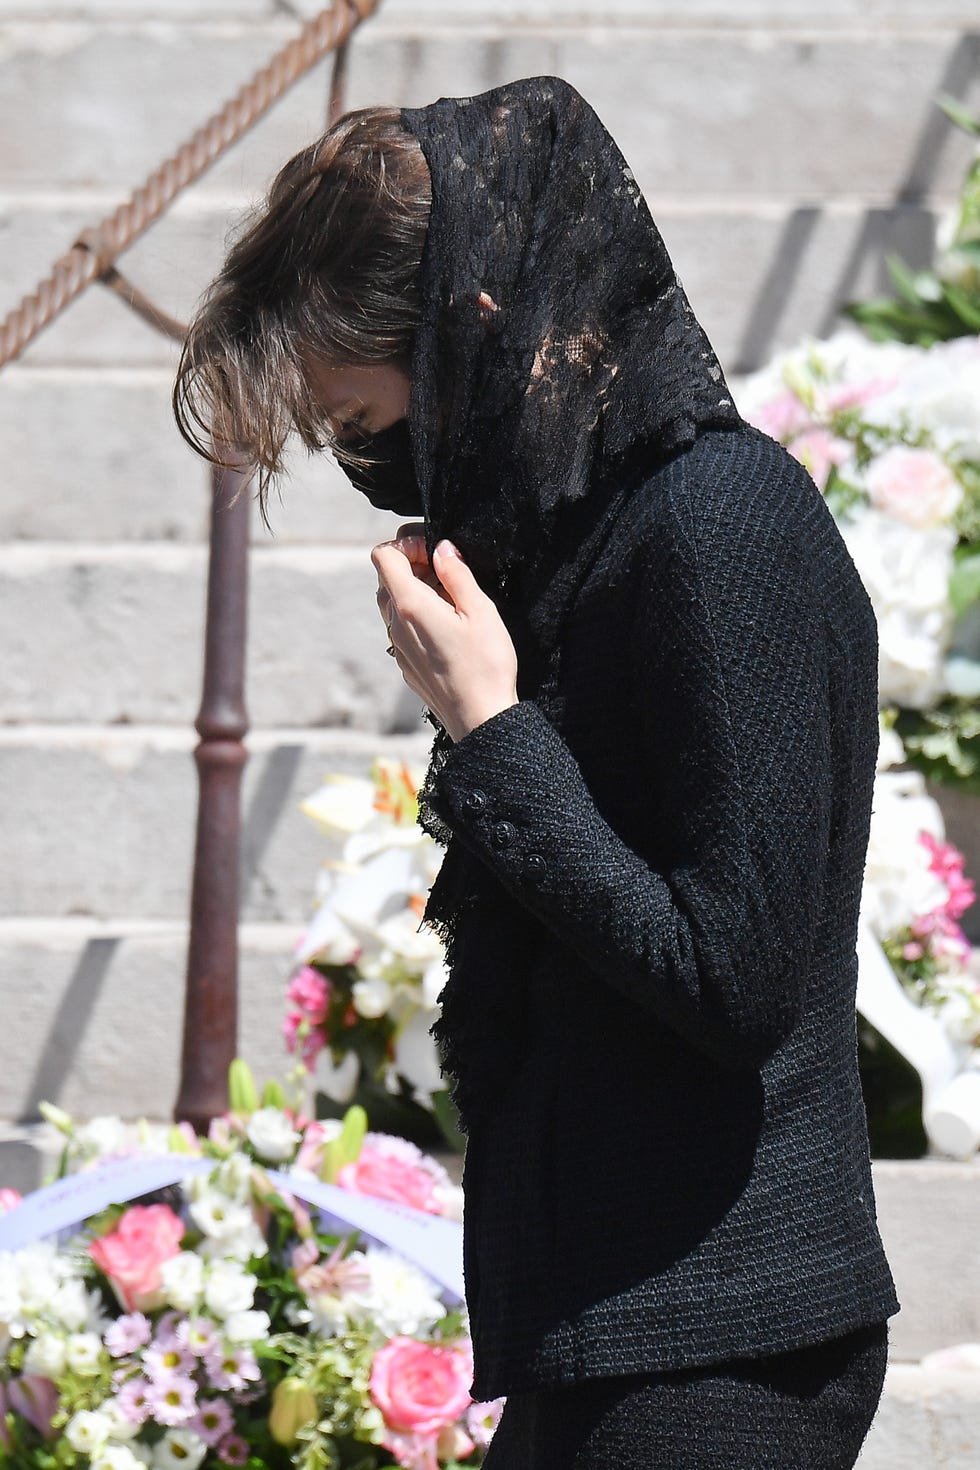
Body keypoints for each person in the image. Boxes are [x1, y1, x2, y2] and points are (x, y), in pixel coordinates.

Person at [174, 76, 900, 1469]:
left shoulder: (715, 522)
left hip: (728, 1335)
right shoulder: (582, 544)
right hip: (624, 1320)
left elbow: (738, 975)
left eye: (362, 420)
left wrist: (497, 730)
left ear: (472, 336)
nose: (369, 465)